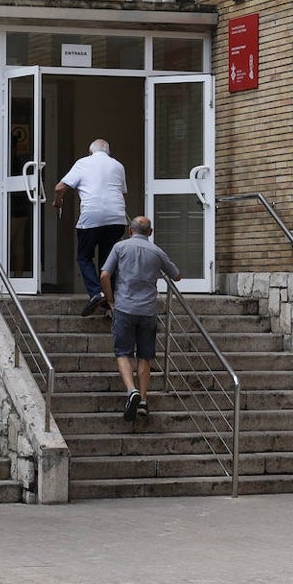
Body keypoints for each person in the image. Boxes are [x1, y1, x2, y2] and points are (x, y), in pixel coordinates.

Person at [99, 216, 182, 421]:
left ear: (130, 230)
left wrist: (111, 301)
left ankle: (131, 391)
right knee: (145, 356)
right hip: (148, 311)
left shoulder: (120, 247)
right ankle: (143, 400)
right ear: (150, 233)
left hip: (125, 308)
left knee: (122, 353)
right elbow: (177, 275)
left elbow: (104, 275)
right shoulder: (156, 251)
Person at [52, 138, 128, 316]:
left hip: (92, 218)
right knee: (108, 262)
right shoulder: (118, 165)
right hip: (117, 218)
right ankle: (110, 306)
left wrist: (58, 202)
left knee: (84, 257)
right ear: (108, 153)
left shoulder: (83, 163)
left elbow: (59, 187)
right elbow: (122, 194)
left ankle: (96, 293)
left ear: (90, 152)